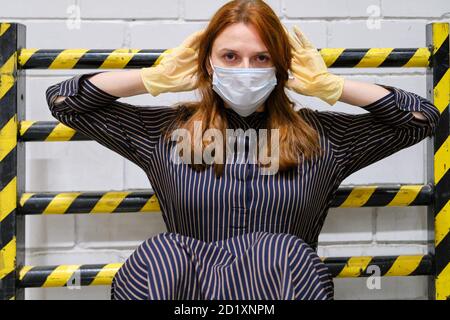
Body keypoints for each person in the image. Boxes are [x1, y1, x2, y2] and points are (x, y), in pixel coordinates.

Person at [45, 0, 440, 300]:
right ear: (208, 64)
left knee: (282, 249)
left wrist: (332, 88)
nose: (246, 68)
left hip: (281, 287)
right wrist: (152, 79)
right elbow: (64, 102)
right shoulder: (164, 132)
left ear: (281, 67)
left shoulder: (322, 137)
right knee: (161, 252)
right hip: (187, 293)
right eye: (230, 56)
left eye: (262, 58)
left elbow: (421, 119)